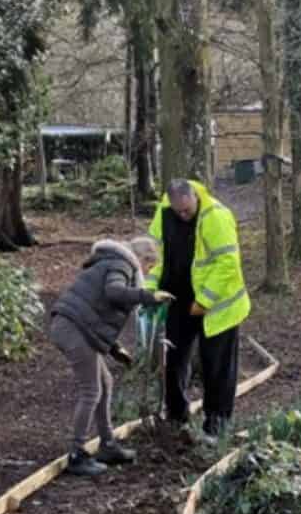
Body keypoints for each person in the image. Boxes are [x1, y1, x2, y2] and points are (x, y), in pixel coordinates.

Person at [49, 236, 174, 476]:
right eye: (149, 266)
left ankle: (107, 444)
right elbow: (114, 293)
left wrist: (116, 349)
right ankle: (76, 454)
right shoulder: (121, 264)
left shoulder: (111, 262)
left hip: (74, 325)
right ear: (143, 259)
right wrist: (148, 296)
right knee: (91, 390)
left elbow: (96, 310)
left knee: (106, 383)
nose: (147, 272)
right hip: (72, 329)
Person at [147, 178, 250, 441]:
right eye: (177, 211)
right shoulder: (164, 212)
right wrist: (149, 291)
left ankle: (216, 426)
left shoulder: (216, 216)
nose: (182, 215)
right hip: (177, 298)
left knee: (216, 366)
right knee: (173, 359)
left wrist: (204, 300)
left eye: (186, 210)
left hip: (218, 306)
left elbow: (228, 263)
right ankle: (176, 416)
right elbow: (153, 256)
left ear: (195, 197)